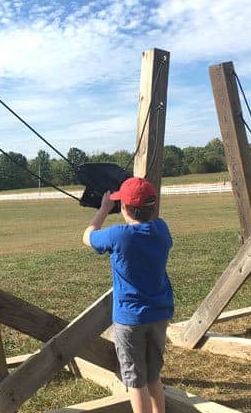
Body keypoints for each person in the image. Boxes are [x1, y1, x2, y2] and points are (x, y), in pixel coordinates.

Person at [82, 177, 173, 413]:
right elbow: (145, 223)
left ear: (123, 207)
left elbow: (88, 236)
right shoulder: (162, 229)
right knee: (153, 377)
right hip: (159, 315)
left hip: (129, 319)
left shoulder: (118, 236)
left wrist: (103, 209)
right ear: (153, 207)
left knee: (134, 381)